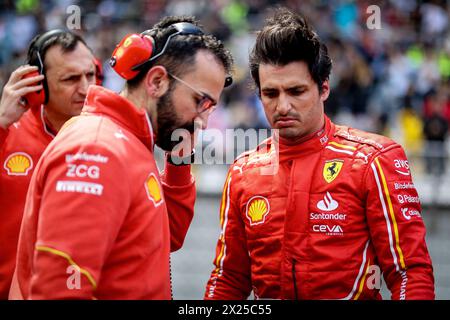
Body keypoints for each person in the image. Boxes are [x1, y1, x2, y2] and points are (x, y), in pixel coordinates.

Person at [205, 8, 434, 300]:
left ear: (324, 88)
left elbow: (409, 273)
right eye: (271, 94)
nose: (283, 106)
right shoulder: (243, 173)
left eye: (296, 91)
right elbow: (228, 280)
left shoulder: (375, 160)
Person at [11, 16, 233, 300]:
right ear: (156, 82)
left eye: (211, 107)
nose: (203, 120)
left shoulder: (131, 142)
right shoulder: (97, 149)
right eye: (200, 101)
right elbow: (59, 289)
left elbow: (166, 237)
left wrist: (179, 161)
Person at [0, 29, 97, 299]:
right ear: (37, 84)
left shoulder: (108, 138)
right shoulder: (7, 129)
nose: (86, 89)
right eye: (70, 79)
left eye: (90, 75)